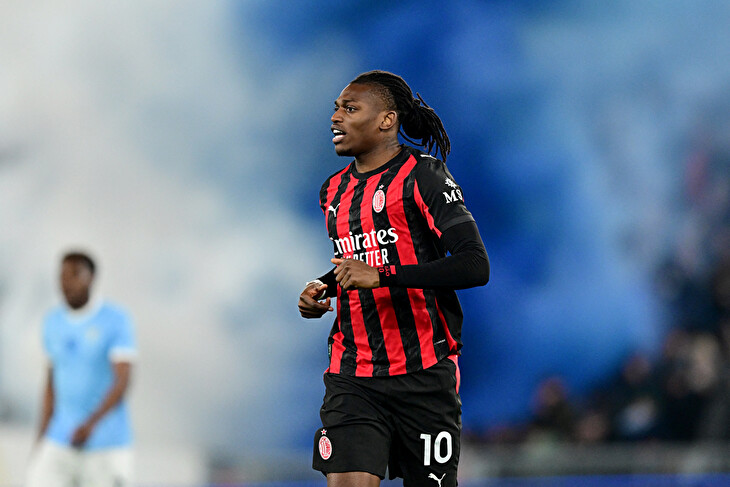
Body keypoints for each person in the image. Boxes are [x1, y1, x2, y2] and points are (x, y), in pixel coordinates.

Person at [298, 70, 490, 487]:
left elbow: (475, 264)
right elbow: (359, 262)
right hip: (353, 374)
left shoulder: (424, 175)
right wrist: (323, 286)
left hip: (424, 372)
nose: (335, 118)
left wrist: (382, 276)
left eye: (350, 109)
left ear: (387, 120)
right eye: (336, 108)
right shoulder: (332, 192)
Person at [26, 251, 137, 487]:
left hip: (105, 445)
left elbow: (123, 380)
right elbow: (51, 383)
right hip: (60, 439)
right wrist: (41, 437)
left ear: (92, 278)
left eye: (75, 274)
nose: (67, 282)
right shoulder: (52, 322)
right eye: (63, 275)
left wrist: (91, 424)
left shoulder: (115, 319)